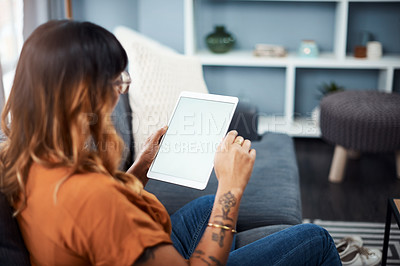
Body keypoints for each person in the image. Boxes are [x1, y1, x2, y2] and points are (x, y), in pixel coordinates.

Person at [0, 20, 341, 265]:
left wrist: (143, 166)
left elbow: (96, 215)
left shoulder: (25, 157)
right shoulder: (96, 202)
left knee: (206, 206)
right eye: (117, 80)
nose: (123, 89)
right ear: (82, 97)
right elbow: (100, 208)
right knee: (316, 239)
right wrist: (231, 189)